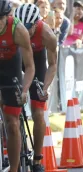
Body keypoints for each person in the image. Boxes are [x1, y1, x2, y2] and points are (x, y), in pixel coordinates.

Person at [14, 3, 57, 172]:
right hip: (16, 61)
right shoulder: (12, 29)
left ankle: (37, 159)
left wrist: (44, 88)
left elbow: (53, 65)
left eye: (27, 28)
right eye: (20, 27)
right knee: (10, 108)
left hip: (37, 62)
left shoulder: (47, 34)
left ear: (36, 23)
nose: (24, 32)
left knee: (38, 112)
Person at [0, 1, 35, 172]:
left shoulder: (18, 30)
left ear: (7, 17)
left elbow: (29, 66)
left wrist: (25, 89)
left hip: (11, 68)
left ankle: (14, 169)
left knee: (11, 123)